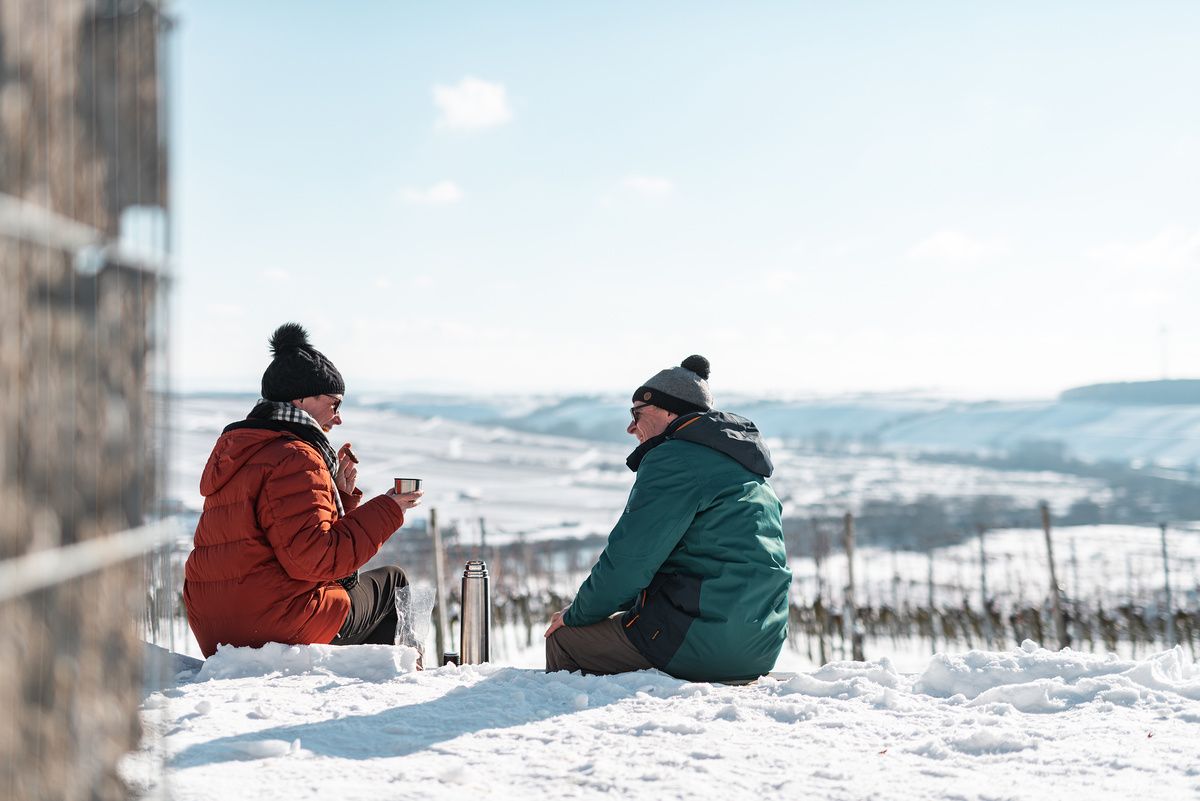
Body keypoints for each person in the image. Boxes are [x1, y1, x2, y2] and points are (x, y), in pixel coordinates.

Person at [544, 355, 791, 683]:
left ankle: (570, 728)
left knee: (567, 639)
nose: (630, 427)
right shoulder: (740, 461)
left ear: (670, 412)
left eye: (637, 414)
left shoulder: (674, 460)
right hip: (760, 643)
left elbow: (630, 561)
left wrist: (575, 616)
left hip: (704, 645)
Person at [184, 323, 422, 658]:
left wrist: (340, 495)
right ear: (301, 399)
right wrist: (389, 509)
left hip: (217, 627)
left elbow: (290, 542)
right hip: (270, 626)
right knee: (392, 583)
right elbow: (317, 561)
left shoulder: (245, 448)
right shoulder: (295, 457)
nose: (337, 418)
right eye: (335, 404)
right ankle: (396, 690)